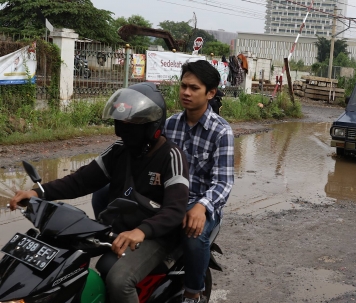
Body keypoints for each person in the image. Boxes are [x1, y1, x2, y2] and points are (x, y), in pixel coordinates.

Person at [9, 82, 189, 303]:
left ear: (152, 125)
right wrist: (38, 192)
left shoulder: (171, 155)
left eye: (132, 123)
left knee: (119, 281)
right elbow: (81, 181)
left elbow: (176, 208)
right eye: (121, 122)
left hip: (157, 236)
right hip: (119, 230)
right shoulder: (118, 151)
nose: (124, 128)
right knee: (54, 257)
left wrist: (141, 231)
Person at [164, 60, 234, 303]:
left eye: (194, 88)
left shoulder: (221, 131)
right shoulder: (170, 124)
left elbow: (223, 183)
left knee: (194, 237)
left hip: (202, 204)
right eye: (183, 86)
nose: (186, 92)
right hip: (170, 199)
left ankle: (193, 293)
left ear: (210, 93)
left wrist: (202, 206)